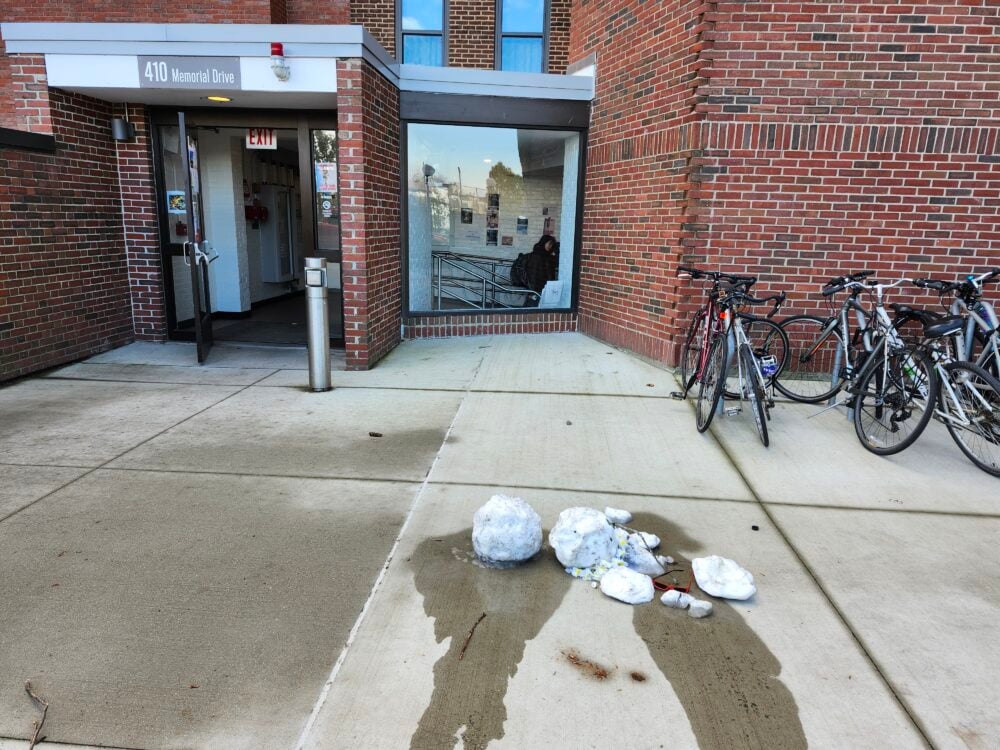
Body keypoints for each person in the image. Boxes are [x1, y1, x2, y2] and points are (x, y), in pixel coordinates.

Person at [524, 234, 558, 305]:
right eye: (550, 243)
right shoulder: (542, 256)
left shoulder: (542, 255)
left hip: (535, 287)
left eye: (552, 244)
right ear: (544, 242)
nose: (550, 246)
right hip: (538, 287)